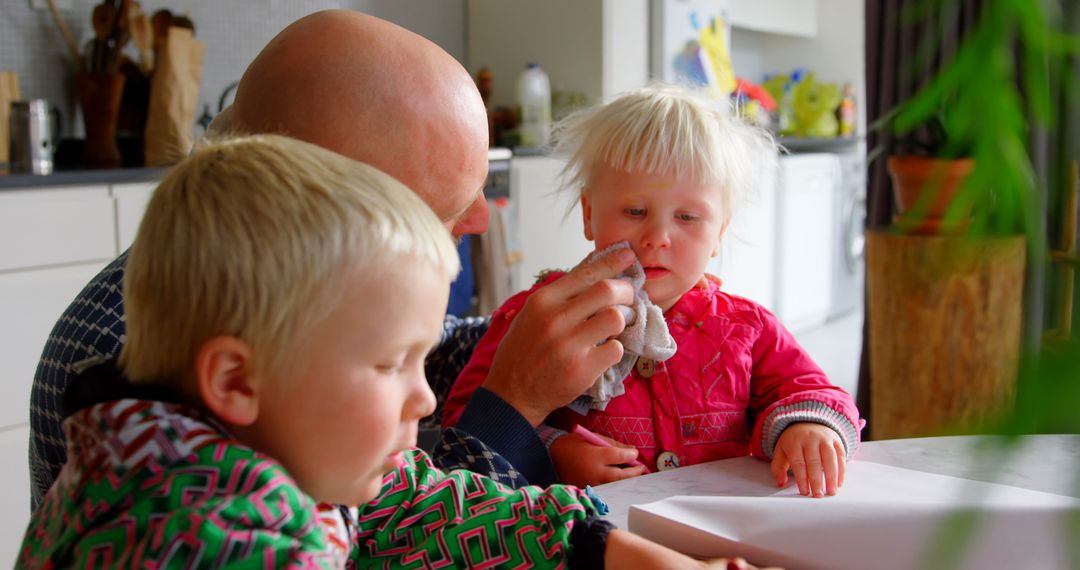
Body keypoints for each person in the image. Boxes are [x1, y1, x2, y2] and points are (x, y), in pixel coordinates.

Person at [20, 135, 739, 568]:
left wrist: (609, 551)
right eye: (393, 364)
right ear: (236, 378)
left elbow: (425, 507)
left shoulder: (267, 442)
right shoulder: (215, 542)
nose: (422, 396)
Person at [29, 9, 633, 506]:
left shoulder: (273, 280)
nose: (480, 220)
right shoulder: (146, 362)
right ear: (324, 200)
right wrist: (513, 403)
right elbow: (383, 536)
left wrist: (530, 331)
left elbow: (425, 343)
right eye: (445, 206)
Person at [444, 84, 862, 497]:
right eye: (635, 211)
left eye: (687, 216)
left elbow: (811, 390)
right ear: (589, 214)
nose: (658, 236)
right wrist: (553, 452)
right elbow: (466, 420)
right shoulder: (543, 316)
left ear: (720, 232)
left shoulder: (747, 328)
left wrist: (809, 426)